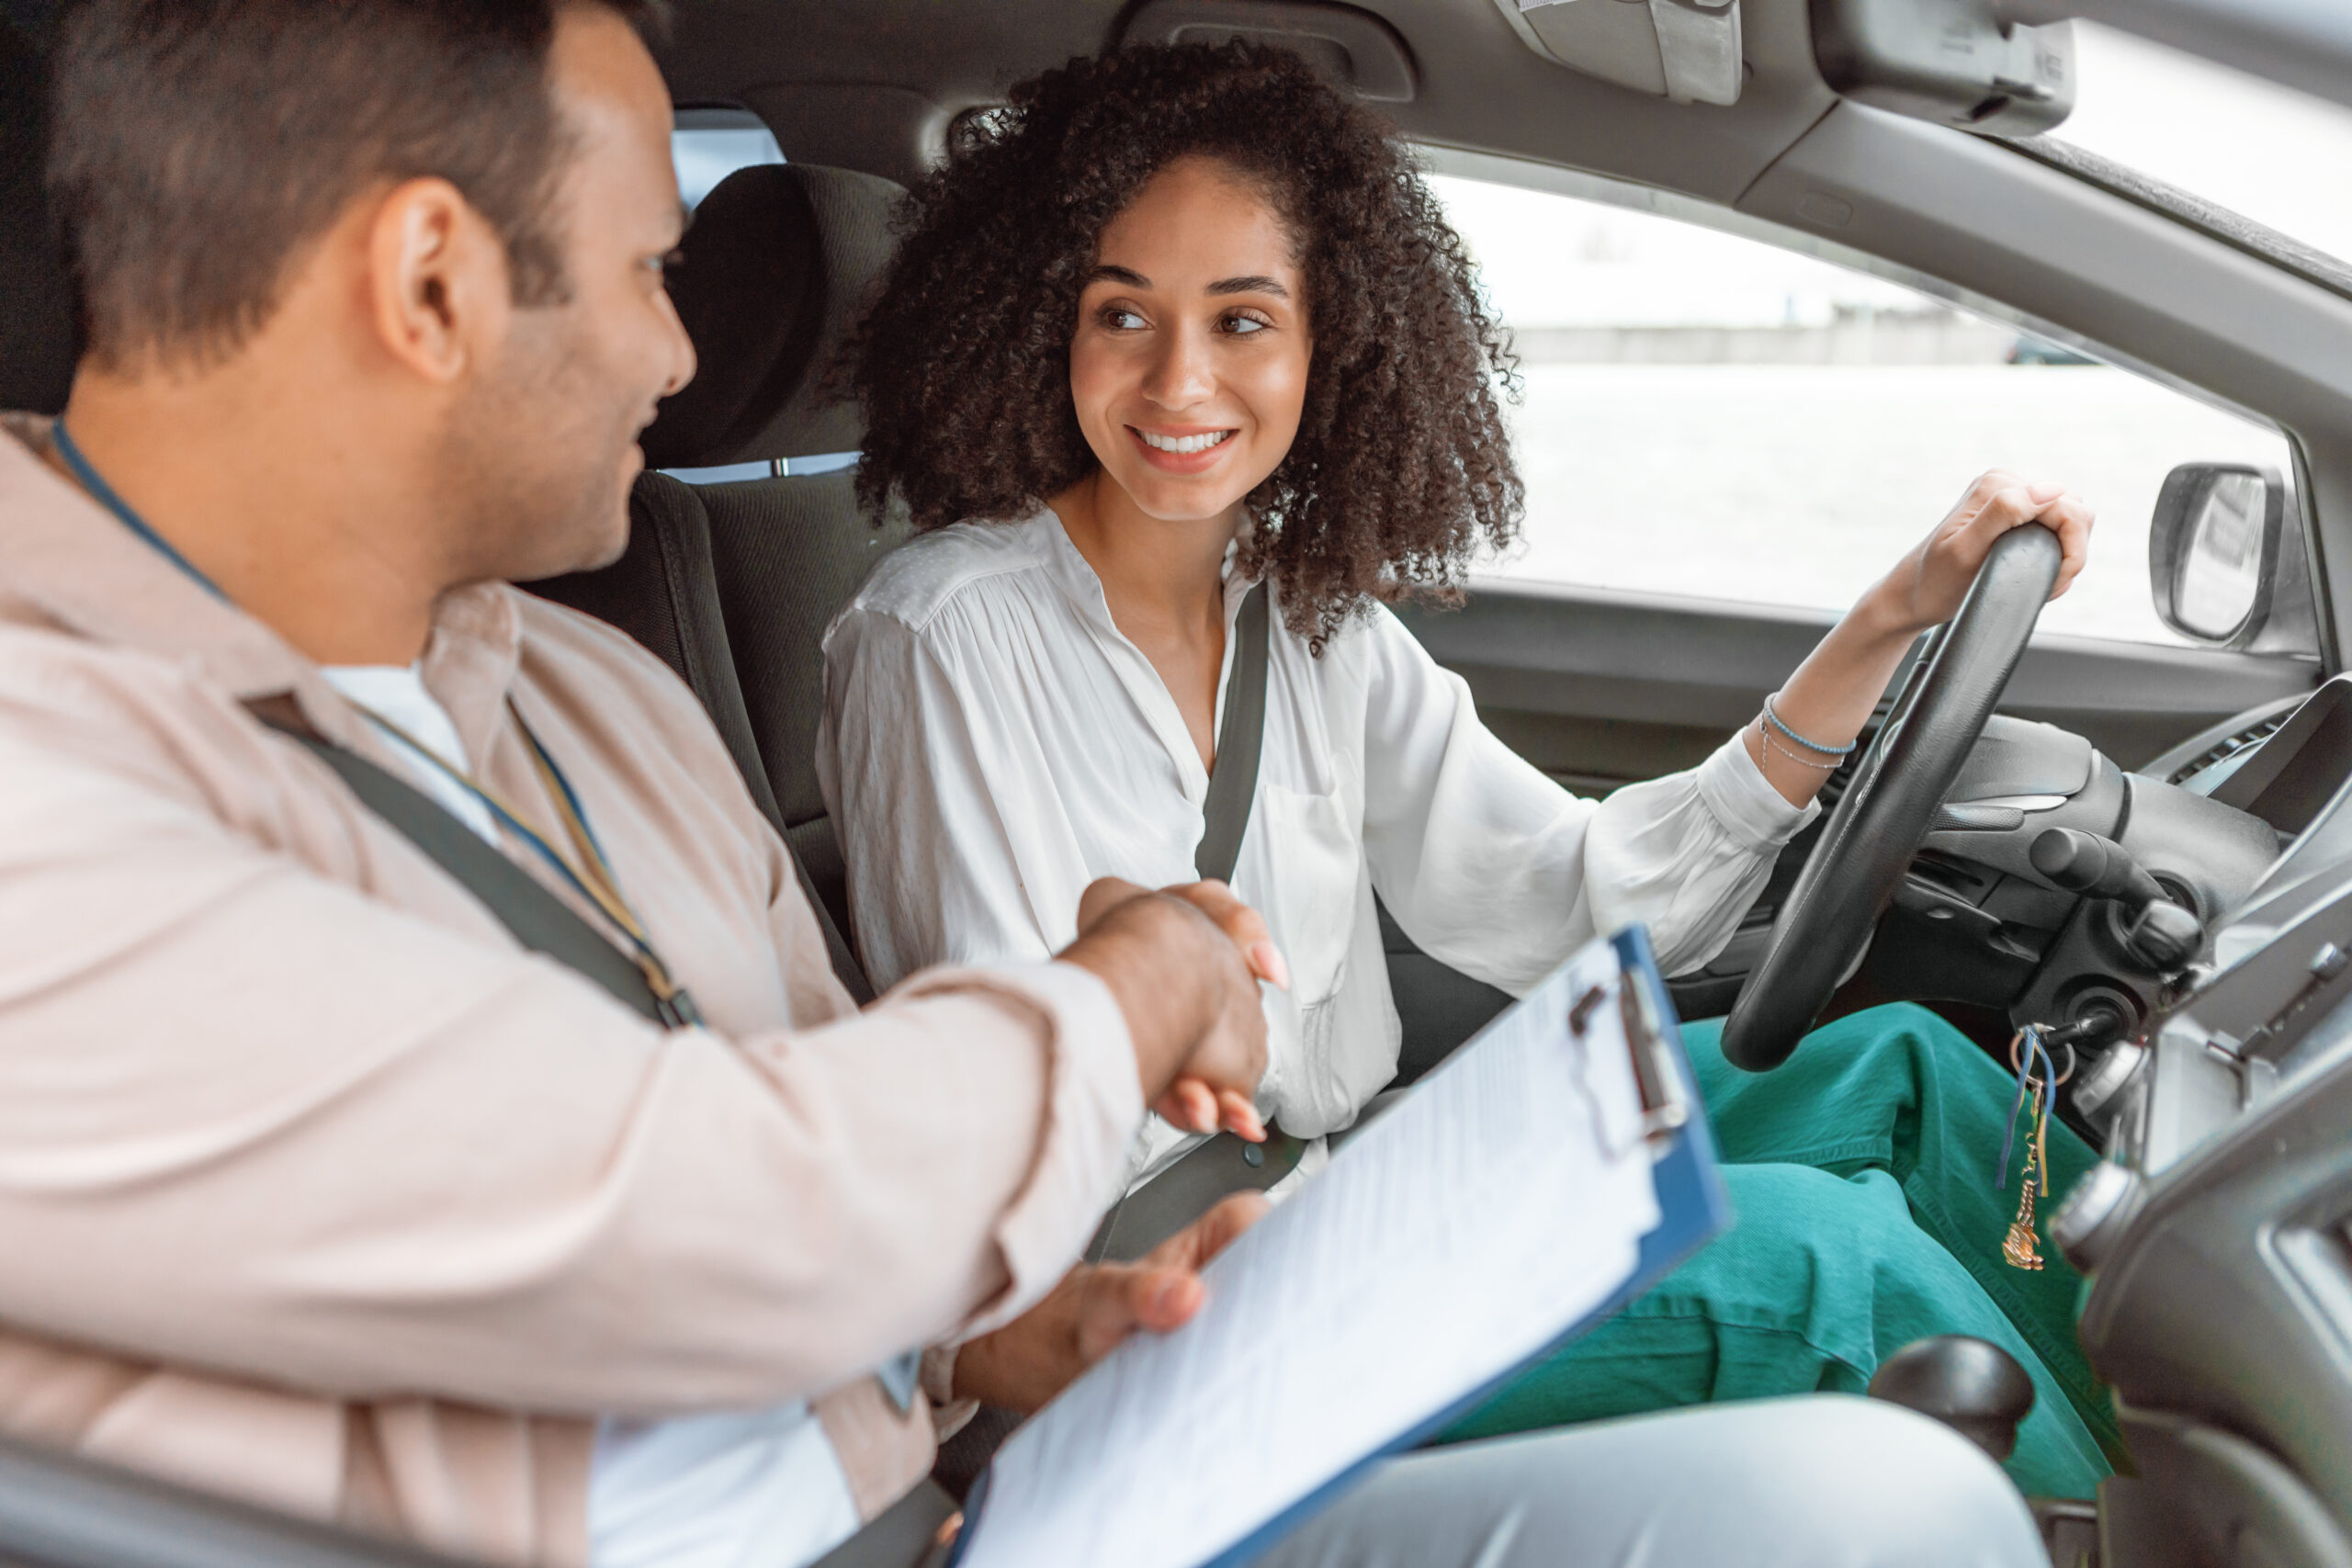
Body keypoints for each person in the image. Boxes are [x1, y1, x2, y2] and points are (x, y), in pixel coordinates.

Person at [0, 3, 2050, 1566]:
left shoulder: (586, 693)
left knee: (1892, 1214)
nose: (679, 358)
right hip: (958, 1488)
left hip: (1007, 1443)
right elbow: (745, 1203)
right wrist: (1123, 991)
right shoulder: (51, 786)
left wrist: (990, 1342)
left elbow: (862, 1212)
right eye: (649, 274)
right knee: (1852, 1400)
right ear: (432, 279)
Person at [820, 39, 2117, 1500]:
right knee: (1834, 1264)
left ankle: (2231, 1433)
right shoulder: (939, 637)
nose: (1180, 381)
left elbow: (1584, 897)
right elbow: (1013, 1121)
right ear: (1046, 325)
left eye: (1243, 319)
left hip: (1360, 1173)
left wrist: (1887, 621)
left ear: (1334, 343)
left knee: (1907, 1077)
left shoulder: (1308, 620)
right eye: (1124, 313)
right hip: (1169, 1303)